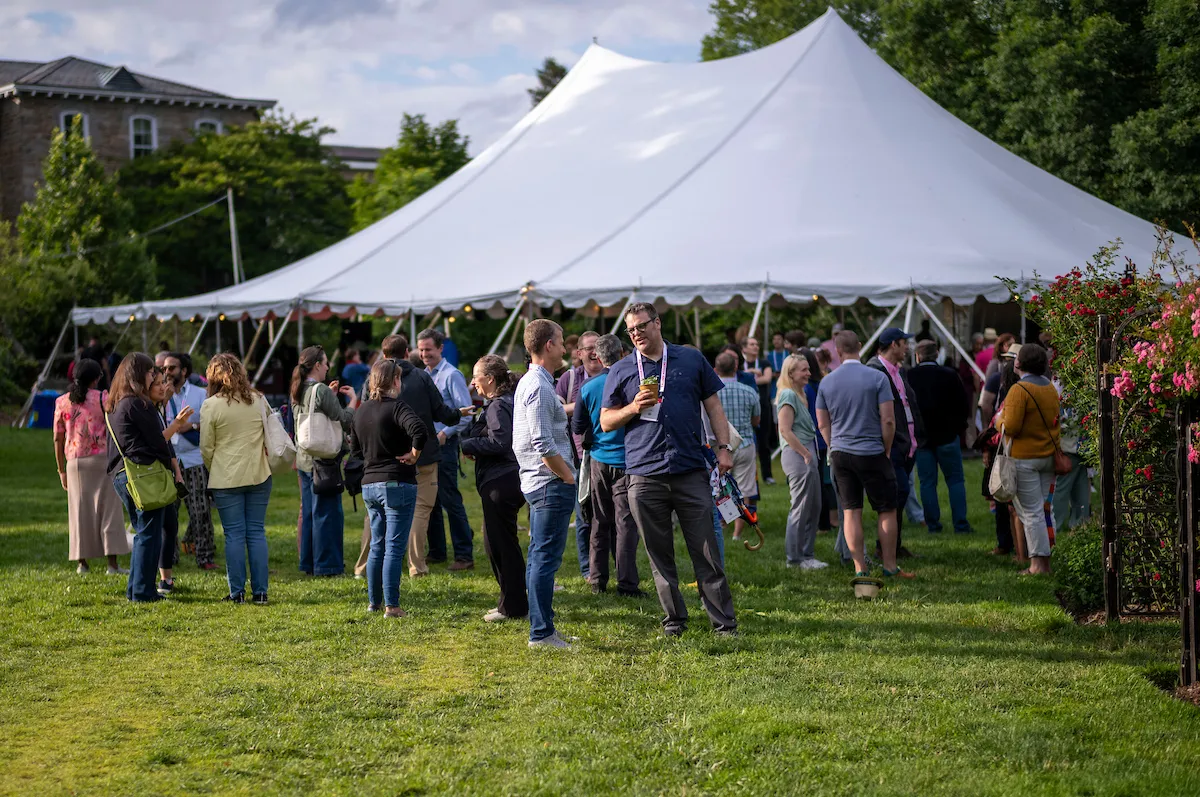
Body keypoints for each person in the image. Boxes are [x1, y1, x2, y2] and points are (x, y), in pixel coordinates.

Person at [601, 302, 737, 638]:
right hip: (644, 474)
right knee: (659, 554)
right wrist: (633, 407)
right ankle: (674, 620)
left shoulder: (690, 359)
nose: (636, 334)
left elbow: (714, 406)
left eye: (641, 326)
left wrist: (723, 448)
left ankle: (724, 624)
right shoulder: (621, 370)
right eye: (631, 330)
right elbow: (605, 421)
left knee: (706, 550)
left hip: (689, 469)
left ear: (657, 324)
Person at [352, 335, 461, 579]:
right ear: (407, 351)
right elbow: (440, 411)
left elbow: (364, 414)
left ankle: (363, 566)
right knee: (420, 511)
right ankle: (416, 566)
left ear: (383, 352)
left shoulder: (373, 379)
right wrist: (457, 414)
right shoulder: (422, 376)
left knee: (376, 514)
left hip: (382, 455)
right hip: (421, 455)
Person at [816, 331, 913, 580]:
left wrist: (833, 444)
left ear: (837, 351)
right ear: (859, 346)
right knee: (887, 510)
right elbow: (888, 419)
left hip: (840, 453)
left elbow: (822, 423)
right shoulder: (876, 378)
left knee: (851, 511)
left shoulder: (826, 382)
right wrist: (887, 448)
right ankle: (890, 566)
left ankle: (860, 567)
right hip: (872, 451)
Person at [513, 319, 578, 650]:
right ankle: (541, 633)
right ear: (548, 345)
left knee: (539, 555)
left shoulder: (535, 382)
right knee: (544, 559)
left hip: (541, 483)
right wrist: (566, 475)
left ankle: (543, 626)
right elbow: (541, 441)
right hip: (549, 483)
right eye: (562, 341)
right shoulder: (537, 386)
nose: (566, 347)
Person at [349, 358, 428, 618]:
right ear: (395, 381)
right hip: (396, 482)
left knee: (377, 545)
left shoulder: (361, 410)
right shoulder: (397, 407)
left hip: (370, 484)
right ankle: (392, 605)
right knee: (393, 547)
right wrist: (414, 453)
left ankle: (374, 603)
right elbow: (419, 429)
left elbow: (355, 450)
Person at [105, 354, 182, 603]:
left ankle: (135, 589)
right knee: (150, 535)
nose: (153, 376)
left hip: (122, 475)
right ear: (139, 374)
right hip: (142, 475)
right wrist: (176, 427)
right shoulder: (138, 404)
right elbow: (158, 441)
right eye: (150, 372)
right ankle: (144, 592)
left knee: (142, 534)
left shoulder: (117, 403)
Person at [572, 334, 642, 596]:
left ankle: (597, 580)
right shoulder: (632, 382)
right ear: (623, 353)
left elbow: (577, 426)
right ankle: (627, 583)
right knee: (626, 524)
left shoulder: (589, 387)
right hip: (628, 459)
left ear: (598, 358)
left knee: (599, 521)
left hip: (599, 461)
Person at [201, 354, 273, 604]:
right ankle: (261, 592)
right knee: (255, 532)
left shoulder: (210, 405)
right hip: (258, 474)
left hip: (225, 477)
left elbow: (206, 448)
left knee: (233, 535)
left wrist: (216, 467)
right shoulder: (258, 400)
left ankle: (237, 593)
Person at [461, 355, 528, 621]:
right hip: (503, 479)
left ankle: (513, 607)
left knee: (502, 545)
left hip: (501, 481)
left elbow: (501, 442)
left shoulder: (499, 406)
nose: (472, 383)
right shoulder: (502, 403)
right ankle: (508, 602)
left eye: (476, 377)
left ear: (489, 379)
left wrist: (469, 445)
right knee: (496, 543)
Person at [54, 359, 130, 575]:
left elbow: (57, 439)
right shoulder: (102, 398)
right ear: (96, 378)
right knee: (109, 511)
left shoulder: (61, 402)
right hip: (102, 460)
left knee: (79, 511)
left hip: (75, 462)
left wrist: (61, 470)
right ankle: (112, 565)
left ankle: (82, 564)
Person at [292, 345, 358, 577]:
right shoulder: (320, 390)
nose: (329, 366)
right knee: (327, 515)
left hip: (304, 459)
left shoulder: (299, 389)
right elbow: (344, 420)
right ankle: (327, 566)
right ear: (317, 365)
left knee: (310, 513)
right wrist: (353, 401)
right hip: (323, 461)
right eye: (326, 362)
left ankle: (309, 563)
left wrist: (329, 395)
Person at [999, 344, 1060, 576]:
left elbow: (1011, 426)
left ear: (1018, 363)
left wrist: (998, 421)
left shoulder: (1018, 390)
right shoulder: (1050, 388)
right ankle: (1047, 562)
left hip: (1025, 458)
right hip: (1048, 457)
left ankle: (1037, 565)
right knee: (1045, 510)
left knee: (1031, 512)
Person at [417, 328, 475, 570]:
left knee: (450, 499)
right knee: (430, 499)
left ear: (441, 348)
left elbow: (467, 412)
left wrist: (445, 433)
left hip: (445, 444)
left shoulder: (451, 375)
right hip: (429, 444)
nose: (424, 354)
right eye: (420, 350)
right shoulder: (423, 375)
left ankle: (464, 555)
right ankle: (438, 551)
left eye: (428, 349)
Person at [867, 328, 924, 558]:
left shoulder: (899, 372)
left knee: (899, 494)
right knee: (896, 493)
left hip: (906, 445)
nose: (907, 348)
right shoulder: (875, 372)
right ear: (893, 345)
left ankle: (893, 545)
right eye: (904, 343)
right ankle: (886, 548)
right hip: (891, 446)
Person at [907, 340, 973, 535]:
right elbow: (963, 405)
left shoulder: (910, 376)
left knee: (927, 483)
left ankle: (933, 525)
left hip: (922, 439)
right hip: (948, 436)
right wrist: (959, 429)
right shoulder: (950, 375)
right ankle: (961, 524)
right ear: (937, 354)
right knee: (955, 481)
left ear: (917, 356)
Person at [162, 352, 217, 571]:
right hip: (168, 460)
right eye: (164, 369)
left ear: (184, 371)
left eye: (171, 368)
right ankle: (169, 556)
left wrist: (191, 426)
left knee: (200, 510)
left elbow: (212, 425)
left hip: (193, 459)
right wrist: (163, 400)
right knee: (169, 513)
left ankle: (205, 555)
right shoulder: (159, 395)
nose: (166, 373)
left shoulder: (199, 394)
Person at [556, 330, 603, 580]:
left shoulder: (614, 375)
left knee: (613, 516)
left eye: (598, 347)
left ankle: (609, 565)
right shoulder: (570, 378)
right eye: (589, 348)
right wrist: (584, 403)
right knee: (584, 514)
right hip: (579, 456)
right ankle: (588, 568)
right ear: (579, 353)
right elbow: (555, 410)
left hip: (610, 454)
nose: (594, 352)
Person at [776, 353, 827, 570]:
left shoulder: (802, 393)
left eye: (808, 369)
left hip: (807, 452)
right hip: (798, 454)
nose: (809, 373)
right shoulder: (788, 395)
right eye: (803, 370)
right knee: (801, 506)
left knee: (814, 506)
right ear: (791, 373)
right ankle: (794, 559)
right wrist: (805, 454)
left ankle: (807, 555)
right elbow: (785, 431)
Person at [714, 351, 760, 543]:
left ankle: (726, 522)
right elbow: (756, 420)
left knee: (721, 487)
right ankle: (737, 533)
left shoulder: (711, 393)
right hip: (745, 444)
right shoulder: (749, 391)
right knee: (746, 490)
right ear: (736, 368)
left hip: (721, 446)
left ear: (715, 370)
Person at [1052, 374, 1091, 532]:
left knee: (1068, 490)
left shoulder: (1067, 394)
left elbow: (1064, 422)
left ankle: (1061, 525)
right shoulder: (1077, 394)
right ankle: (1077, 524)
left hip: (1072, 448)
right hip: (1076, 448)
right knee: (1077, 489)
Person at [741, 335, 776, 485]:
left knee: (763, 442)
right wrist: (754, 374)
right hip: (744, 408)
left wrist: (747, 376)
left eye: (756, 344)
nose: (756, 346)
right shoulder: (739, 363)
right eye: (752, 344)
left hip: (763, 407)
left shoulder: (764, 362)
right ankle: (750, 475)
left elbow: (767, 379)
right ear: (744, 348)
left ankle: (767, 475)